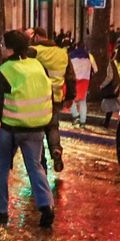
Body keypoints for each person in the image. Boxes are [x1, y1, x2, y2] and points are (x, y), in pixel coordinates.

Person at [0, 29, 55, 228]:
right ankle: (46, 206)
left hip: (11, 128)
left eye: (2, 45)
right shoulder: (38, 66)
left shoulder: (5, 71)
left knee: (1, 167)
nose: (0, 48)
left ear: (10, 49)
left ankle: (0, 210)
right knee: (35, 167)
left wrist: (0, 116)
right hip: (36, 127)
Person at [31, 30, 70, 180]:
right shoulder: (62, 53)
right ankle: (56, 149)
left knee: (39, 130)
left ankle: (42, 164)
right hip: (57, 97)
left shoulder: (35, 51)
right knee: (53, 127)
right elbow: (70, 76)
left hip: (38, 96)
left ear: (37, 37)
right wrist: (70, 96)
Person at [68, 40, 94, 127]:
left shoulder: (71, 55)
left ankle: (75, 116)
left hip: (74, 79)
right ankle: (83, 122)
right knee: (83, 101)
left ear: (76, 46)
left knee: (71, 99)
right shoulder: (89, 56)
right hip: (85, 81)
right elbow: (96, 69)